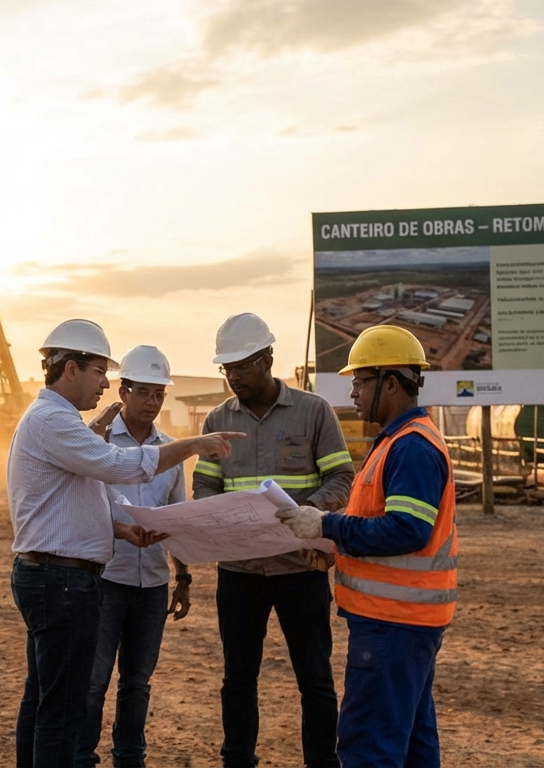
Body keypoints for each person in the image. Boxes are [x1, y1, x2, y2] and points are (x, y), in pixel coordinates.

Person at [9, 319, 243, 768]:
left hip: (59, 576)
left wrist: (120, 531)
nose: (103, 383)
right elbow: (121, 466)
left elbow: (70, 503)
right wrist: (194, 444)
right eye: (99, 371)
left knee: (44, 699)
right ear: (71, 369)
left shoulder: (57, 421)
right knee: (63, 708)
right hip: (61, 581)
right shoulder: (55, 421)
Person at [278, 325, 456, 767]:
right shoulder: (400, 441)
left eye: (360, 381)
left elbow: (407, 530)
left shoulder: (411, 447)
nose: (353, 392)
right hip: (403, 626)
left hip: (393, 627)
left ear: (391, 383)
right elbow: (385, 529)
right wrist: (334, 548)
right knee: (413, 747)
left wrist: (327, 523)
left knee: (368, 751)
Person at [192, 313, 353, 768]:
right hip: (240, 572)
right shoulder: (216, 418)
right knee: (238, 677)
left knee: (315, 678)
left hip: (300, 569)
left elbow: (342, 475)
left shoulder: (313, 411)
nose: (233, 377)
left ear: (267, 359)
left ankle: (322, 762)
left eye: (242, 366)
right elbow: (204, 485)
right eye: (227, 368)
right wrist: (213, 515)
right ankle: (237, 760)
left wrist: (312, 515)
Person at [76, 346, 192, 768]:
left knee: (137, 683)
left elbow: (177, 517)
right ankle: (81, 756)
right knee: (93, 681)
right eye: (143, 392)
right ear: (122, 391)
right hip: (107, 580)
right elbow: (85, 508)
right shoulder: (98, 444)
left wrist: (184, 578)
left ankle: (130, 757)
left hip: (152, 585)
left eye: (159, 394)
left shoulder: (170, 452)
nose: (152, 402)